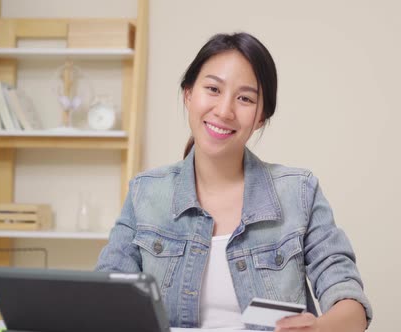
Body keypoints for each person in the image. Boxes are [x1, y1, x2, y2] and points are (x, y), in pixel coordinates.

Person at [96, 32, 372, 331]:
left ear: (261, 118)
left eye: (244, 98)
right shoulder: (145, 193)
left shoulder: (299, 192)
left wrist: (318, 329)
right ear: (189, 94)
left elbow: (349, 301)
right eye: (213, 89)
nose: (224, 111)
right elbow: (104, 298)